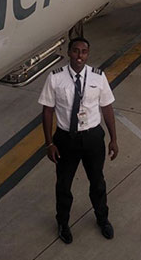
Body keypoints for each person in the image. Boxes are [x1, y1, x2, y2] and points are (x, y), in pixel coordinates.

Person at [38, 37, 118, 244]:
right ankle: (63, 223)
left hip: (92, 138)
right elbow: (47, 111)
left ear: (87, 54)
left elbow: (107, 108)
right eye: (75, 51)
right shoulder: (55, 78)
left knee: (98, 182)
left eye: (84, 51)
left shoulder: (98, 77)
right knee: (64, 185)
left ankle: (103, 219)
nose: (79, 55)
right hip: (66, 139)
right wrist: (49, 143)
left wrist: (113, 139)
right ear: (69, 52)